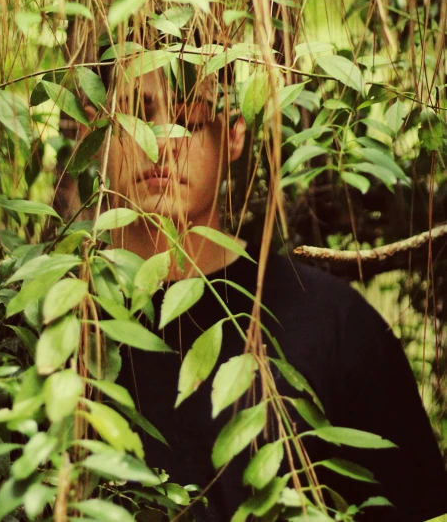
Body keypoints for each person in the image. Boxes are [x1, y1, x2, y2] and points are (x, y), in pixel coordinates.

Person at [103, 64, 447, 522]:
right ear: (96, 131)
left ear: (234, 132)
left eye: (191, 120)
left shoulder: (333, 322)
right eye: (136, 116)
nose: (161, 142)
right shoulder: (43, 322)